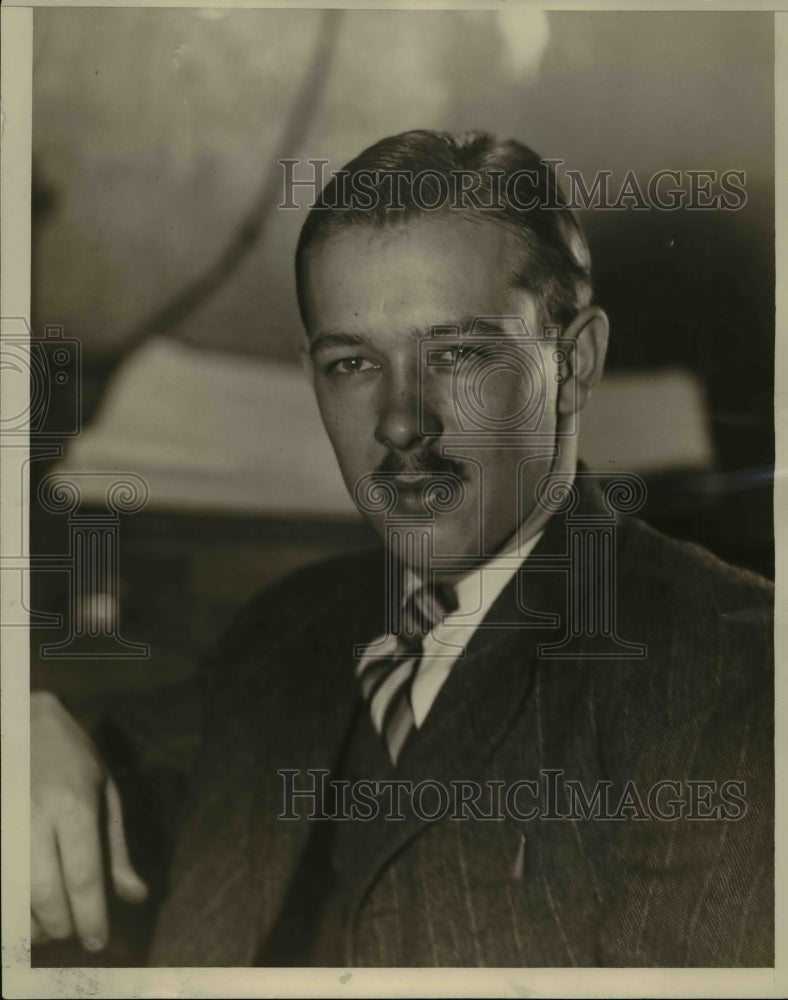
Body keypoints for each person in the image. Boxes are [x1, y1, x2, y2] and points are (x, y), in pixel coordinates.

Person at [31, 130, 773, 967]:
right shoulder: (289, 629)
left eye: (456, 353)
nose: (398, 421)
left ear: (573, 364)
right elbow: (80, 784)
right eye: (352, 363)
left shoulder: (737, 678)